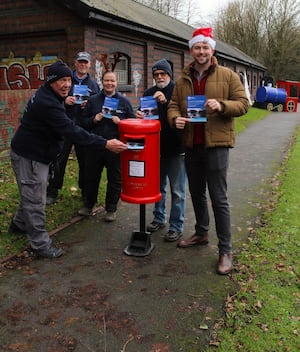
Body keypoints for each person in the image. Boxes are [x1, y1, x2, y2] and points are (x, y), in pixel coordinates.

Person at [8, 60, 127, 259]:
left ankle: (18, 225)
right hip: (29, 156)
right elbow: (72, 131)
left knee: (32, 192)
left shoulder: (50, 94)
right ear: (51, 81)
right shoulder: (48, 104)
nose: (66, 85)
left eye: (68, 80)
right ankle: (40, 245)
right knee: (36, 199)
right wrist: (105, 144)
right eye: (61, 80)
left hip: (37, 154)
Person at [167, 27, 249, 275]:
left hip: (217, 146)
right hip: (192, 144)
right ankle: (201, 233)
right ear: (191, 50)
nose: (201, 51)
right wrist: (175, 119)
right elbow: (172, 105)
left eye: (205, 47)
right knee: (196, 193)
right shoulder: (182, 80)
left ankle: (225, 250)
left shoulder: (228, 75)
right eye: (196, 47)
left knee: (219, 197)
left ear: (212, 50)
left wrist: (222, 105)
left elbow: (244, 104)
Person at [136, 59, 186, 242]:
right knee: (158, 188)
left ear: (169, 75)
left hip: (176, 148)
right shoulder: (149, 92)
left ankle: (176, 226)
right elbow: (145, 115)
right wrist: (139, 115)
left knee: (178, 190)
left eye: (162, 74)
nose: (159, 77)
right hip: (155, 148)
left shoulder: (177, 91)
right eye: (156, 74)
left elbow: (182, 117)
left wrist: (165, 103)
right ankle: (159, 218)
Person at [79, 71, 135, 221]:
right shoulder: (93, 100)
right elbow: (83, 122)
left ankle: (111, 209)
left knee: (115, 177)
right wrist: (94, 120)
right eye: (106, 80)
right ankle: (88, 205)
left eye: (112, 81)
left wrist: (121, 123)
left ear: (117, 83)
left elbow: (134, 124)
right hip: (95, 144)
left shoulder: (124, 101)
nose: (109, 84)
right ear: (102, 81)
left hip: (115, 145)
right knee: (91, 176)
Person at [46, 51, 100, 205]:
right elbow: (53, 99)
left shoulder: (93, 85)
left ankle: (84, 190)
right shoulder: (65, 80)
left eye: (85, 62)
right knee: (59, 159)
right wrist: (64, 101)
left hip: (83, 128)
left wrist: (89, 104)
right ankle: (53, 191)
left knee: (84, 161)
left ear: (89, 65)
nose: (83, 65)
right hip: (65, 125)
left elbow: (98, 105)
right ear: (75, 63)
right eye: (80, 62)